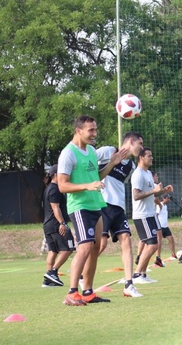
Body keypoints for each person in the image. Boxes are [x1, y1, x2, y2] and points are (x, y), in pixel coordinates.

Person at [58, 115, 122, 305]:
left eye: (95, 129)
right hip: (80, 207)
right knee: (85, 247)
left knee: (95, 248)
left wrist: (112, 163)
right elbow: (62, 185)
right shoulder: (68, 153)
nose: (95, 133)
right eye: (91, 130)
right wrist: (87, 186)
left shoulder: (92, 151)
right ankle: (71, 293)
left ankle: (88, 292)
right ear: (79, 131)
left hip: (96, 204)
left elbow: (97, 177)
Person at [96, 131, 144, 297]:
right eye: (140, 144)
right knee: (100, 245)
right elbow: (87, 165)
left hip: (119, 208)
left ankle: (129, 285)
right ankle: (81, 274)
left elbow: (117, 184)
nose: (142, 148)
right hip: (102, 204)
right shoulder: (109, 151)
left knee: (127, 242)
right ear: (131, 141)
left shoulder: (130, 166)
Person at [131, 148, 173, 284]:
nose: (152, 158)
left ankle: (142, 274)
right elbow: (136, 195)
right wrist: (153, 191)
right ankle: (137, 274)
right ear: (141, 158)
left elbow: (152, 193)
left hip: (150, 214)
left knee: (153, 244)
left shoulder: (148, 173)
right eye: (149, 156)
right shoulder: (138, 174)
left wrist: (162, 191)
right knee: (152, 245)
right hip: (142, 215)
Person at [42, 164, 75, 288]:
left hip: (48, 225)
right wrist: (62, 223)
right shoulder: (55, 189)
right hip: (56, 224)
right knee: (68, 248)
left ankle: (48, 281)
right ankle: (52, 272)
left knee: (54, 251)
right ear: (56, 175)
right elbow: (55, 208)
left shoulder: (49, 188)